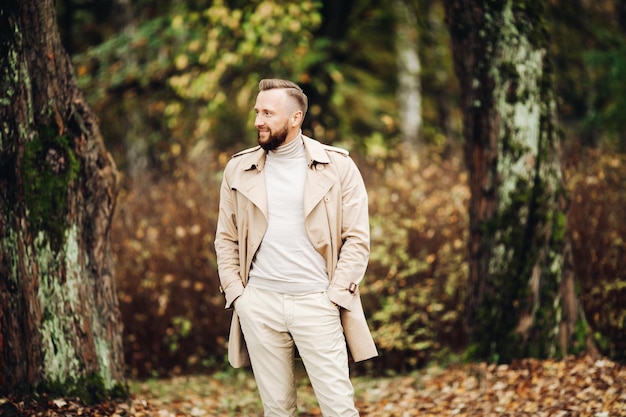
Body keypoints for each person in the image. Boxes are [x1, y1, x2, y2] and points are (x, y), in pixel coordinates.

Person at [214, 78, 377, 416]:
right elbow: (225, 238)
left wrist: (335, 295)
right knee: (277, 410)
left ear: (295, 117)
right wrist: (239, 296)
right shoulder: (238, 168)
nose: (258, 120)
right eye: (257, 111)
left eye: (268, 113)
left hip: (317, 303)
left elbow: (357, 238)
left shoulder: (338, 166)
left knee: (338, 408)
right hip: (259, 305)